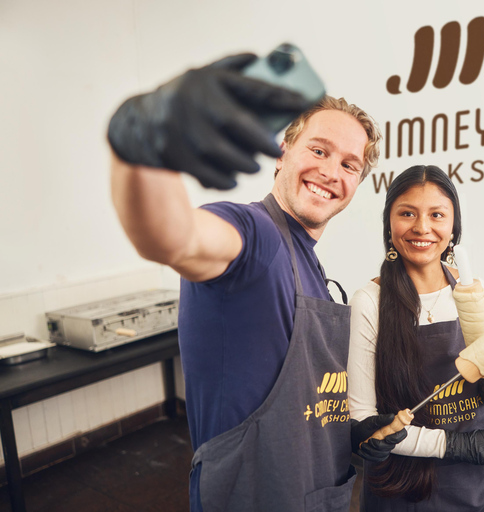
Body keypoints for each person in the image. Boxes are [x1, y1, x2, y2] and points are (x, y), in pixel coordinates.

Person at [107, 53, 406, 512]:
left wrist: (353, 433)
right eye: (319, 150)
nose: (331, 172)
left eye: (350, 165)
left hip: (316, 493)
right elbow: (173, 237)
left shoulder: (315, 272)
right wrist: (140, 142)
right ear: (284, 150)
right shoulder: (254, 235)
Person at [348, 165, 484, 510]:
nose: (422, 228)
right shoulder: (369, 302)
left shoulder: (476, 291)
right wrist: (457, 446)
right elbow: (366, 420)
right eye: (407, 213)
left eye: (437, 215)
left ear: (453, 227)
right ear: (389, 224)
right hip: (406, 488)